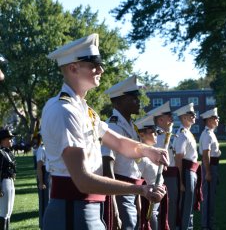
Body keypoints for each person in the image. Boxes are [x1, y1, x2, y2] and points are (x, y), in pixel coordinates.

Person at [41, 33, 168, 230]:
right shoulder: (64, 111)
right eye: (93, 63)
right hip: (72, 210)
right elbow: (83, 180)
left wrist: (148, 151)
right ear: (73, 68)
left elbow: (118, 142)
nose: (101, 69)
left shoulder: (82, 109)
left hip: (85, 208)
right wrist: (140, 189)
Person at [101, 75, 144, 229]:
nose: (138, 101)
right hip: (120, 190)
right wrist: (114, 207)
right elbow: (107, 166)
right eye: (133, 97)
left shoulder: (130, 125)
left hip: (133, 187)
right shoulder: (112, 127)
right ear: (118, 102)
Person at [148, 101, 179, 229]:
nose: (172, 119)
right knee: (165, 207)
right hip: (161, 175)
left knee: (170, 206)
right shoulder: (158, 136)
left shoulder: (165, 134)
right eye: (168, 116)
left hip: (169, 173)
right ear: (160, 120)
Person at [135, 114, 169, 230]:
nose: (156, 135)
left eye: (156, 131)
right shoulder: (141, 156)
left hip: (158, 197)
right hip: (148, 202)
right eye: (152, 132)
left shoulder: (153, 153)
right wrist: (140, 210)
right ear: (141, 134)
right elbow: (138, 183)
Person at [173, 103, 201, 230]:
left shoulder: (187, 133)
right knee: (185, 205)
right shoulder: (182, 134)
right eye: (191, 114)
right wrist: (180, 181)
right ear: (184, 117)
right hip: (185, 171)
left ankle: (188, 227)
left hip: (191, 170)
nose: (194, 116)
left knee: (189, 203)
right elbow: (178, 158)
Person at [199, 107, 221, 230]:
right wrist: (208, 172)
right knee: (208, 198)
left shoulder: (210, 133)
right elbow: (206, 154)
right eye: (215, 118)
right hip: (210, 166)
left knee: (211, 196)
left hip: (213, 166)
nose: (217, 120)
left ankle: (209, 224)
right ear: (208, 120)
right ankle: (206, 225)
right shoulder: (207, 134)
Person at [0, 129, 16, 230]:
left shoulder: (8, 152)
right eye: (9, 138)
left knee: (9, 212)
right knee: (3, 212)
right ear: (3, 140)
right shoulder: (0, 153)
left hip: (10, 182)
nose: (11, 140)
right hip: (4, 182)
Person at [36, 135, 50, 230]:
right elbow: (39, 167)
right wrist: (41, 182)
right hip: (45, 176)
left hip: (51, 175)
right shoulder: (42, 149)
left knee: (49, 201)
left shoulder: (50, 147)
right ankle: (43, 225)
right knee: (44, 202)